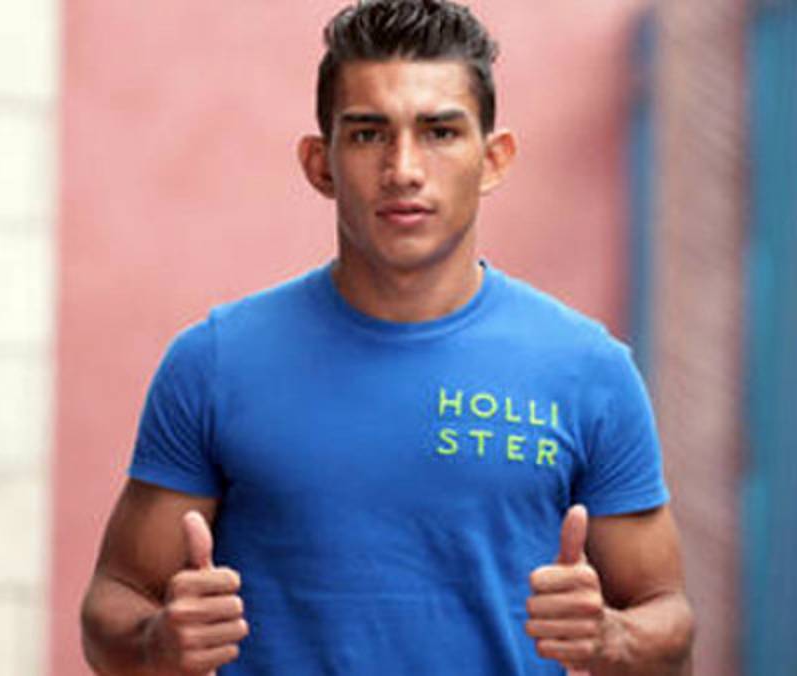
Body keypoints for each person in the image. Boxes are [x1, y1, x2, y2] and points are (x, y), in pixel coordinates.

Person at [79, 1, 694, 673]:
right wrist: (157, 643)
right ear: (320, 163)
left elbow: (668, 622)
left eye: (440, 132)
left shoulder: (588, 371)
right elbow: (113, 602)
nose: (404, 168)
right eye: (369, 133)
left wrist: (611, 639)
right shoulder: (215, 363)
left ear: (493, 159)